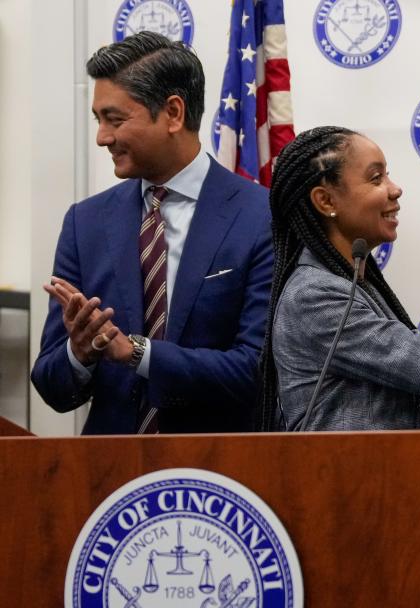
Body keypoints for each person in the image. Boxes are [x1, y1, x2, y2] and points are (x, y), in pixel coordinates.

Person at [32, 32, 273, 435]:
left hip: (221, 480)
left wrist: (137, 353)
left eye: (115, 119)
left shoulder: (261, 216)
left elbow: (259, 370)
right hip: (110, 483)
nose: (102, 137)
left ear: (173, 113)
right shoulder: (85, 222)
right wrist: (79, 352)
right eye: (98, 120)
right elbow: (52, 386)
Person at [257, 127, 420, 431]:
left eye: (388, 175)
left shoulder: (353, 285)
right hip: (354, 478)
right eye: (376, 179)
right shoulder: (314, 296)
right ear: (326, 201)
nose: (395, 189)